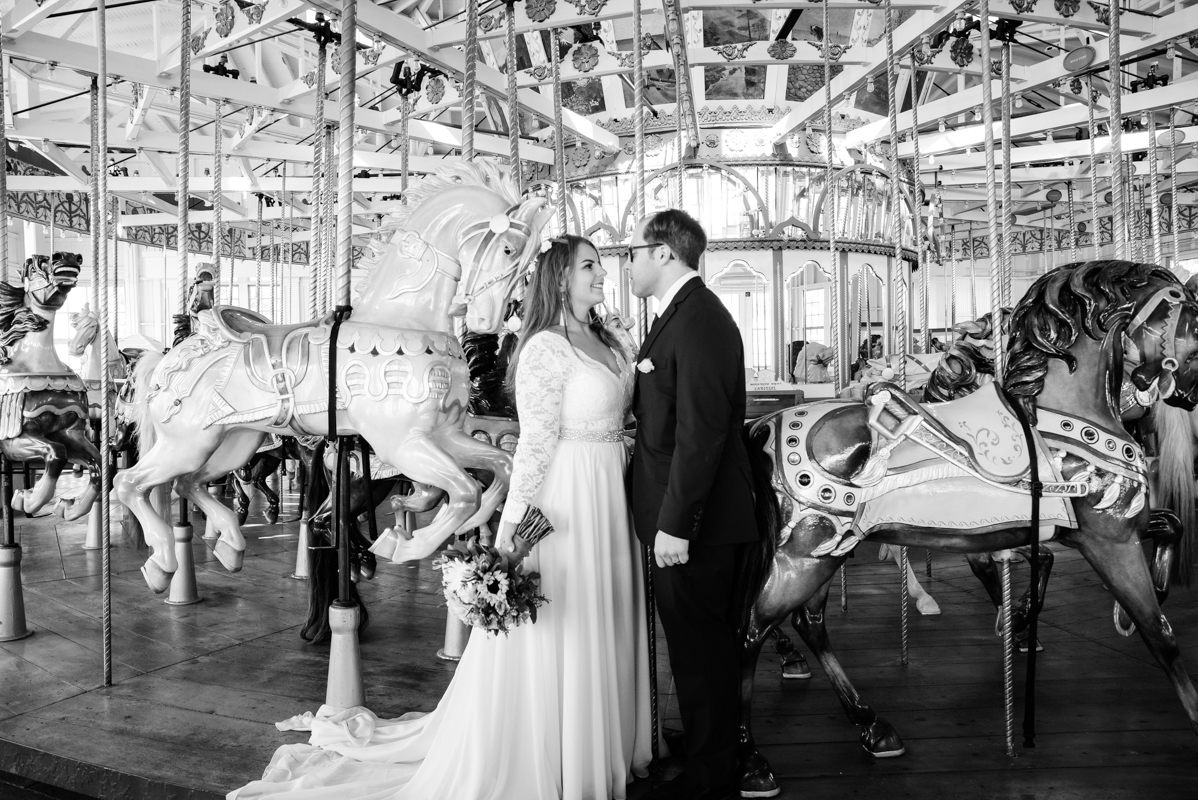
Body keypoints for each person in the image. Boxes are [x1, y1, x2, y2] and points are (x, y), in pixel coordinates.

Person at [228, 234, 655, 800]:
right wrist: (514, 526)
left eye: (600, 267)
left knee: (601, 608)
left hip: (606, 491)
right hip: (565, 498)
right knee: (566, 619)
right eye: (588, 267)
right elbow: (534, 445)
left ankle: (602, 740)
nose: (601, 275)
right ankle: (559, 752)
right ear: (559, 279)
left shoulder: (607, 340)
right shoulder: (546, 349)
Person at [626, 209, 760, 800]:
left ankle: (712, 777)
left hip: (696, 523)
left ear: (664, 253)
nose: (628, 263)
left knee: (702, 647)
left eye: (635, 251)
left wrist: (676, 524)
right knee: (692, 644)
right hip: (681, 515)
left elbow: (700, 433)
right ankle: (709, 747)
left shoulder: (700, 320)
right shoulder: (679, 317)